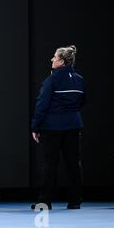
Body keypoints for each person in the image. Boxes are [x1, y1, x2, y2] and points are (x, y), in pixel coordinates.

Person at [31, 45, 85, 210]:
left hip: (52, 127)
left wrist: (35, 126)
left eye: (54, 57)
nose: (52, 59)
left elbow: (42, 104)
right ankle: (75, 200)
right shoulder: (79, 79)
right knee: (73, 163)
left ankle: (45, 202)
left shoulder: (51, 80)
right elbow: (82, 101)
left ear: (61, 62)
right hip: (73, 125)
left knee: (49, 164)